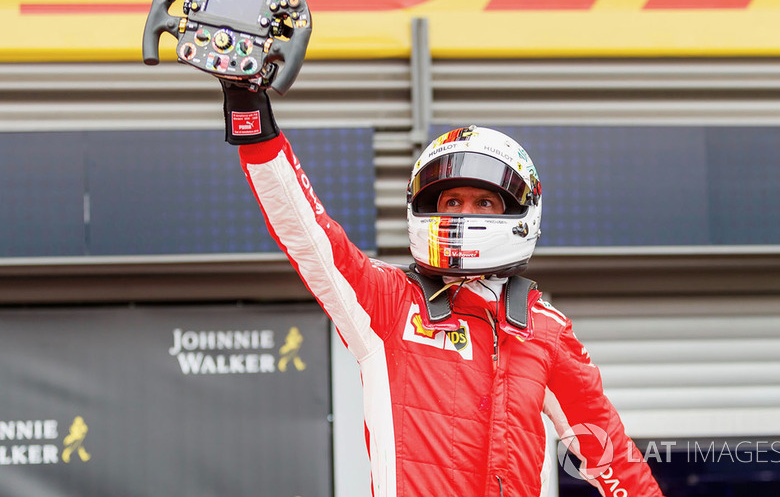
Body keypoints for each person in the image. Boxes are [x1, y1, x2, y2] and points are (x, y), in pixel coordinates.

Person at [220, 81, 664, 496]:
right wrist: (252, 118)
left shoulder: (545, 329)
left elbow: (613, 458)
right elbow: (308, 234)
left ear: (519, 214)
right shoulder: (390, 303)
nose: (464, 215)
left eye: (483, 202)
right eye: (452, 201)